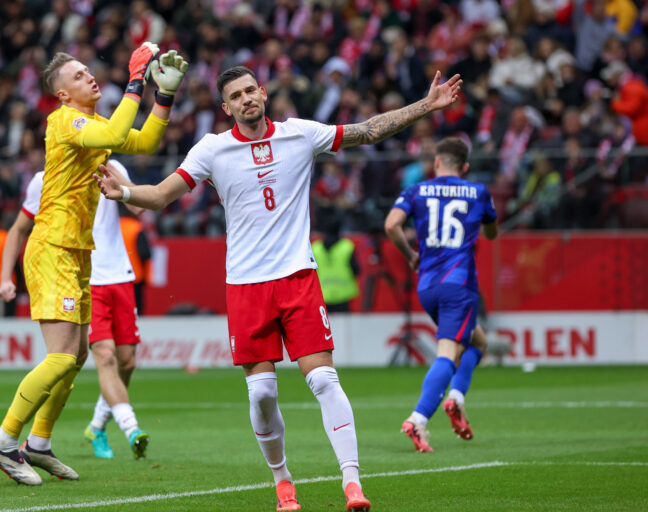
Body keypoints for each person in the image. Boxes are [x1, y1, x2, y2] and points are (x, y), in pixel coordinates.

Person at [95, 65, 461, 511]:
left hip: (297, 278)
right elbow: (162, 195)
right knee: (262, 393)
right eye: (236, 95)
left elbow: (367, 132)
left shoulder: (300, 134)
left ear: (264, 93)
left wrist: (426, 104)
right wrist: (126, 192)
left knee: (324, 379)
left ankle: (352, 483)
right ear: (226, 107)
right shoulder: (212, 150)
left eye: (252, 90)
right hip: (246, 286)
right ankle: (282, 480)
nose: (247, 98)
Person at [0, 43, 188, 486]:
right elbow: (116, 137)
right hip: (52, 246)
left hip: (78, 252)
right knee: (60, 356)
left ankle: (38, 445)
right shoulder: (64, 122)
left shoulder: (93, 124)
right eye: (77, 76)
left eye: (87, 71)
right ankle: (2, 443)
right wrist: (136, 80)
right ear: (62, 95)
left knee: (76, 356)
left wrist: (163, 97)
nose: (89, 77)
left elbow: (145, 141)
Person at [0, 160, 151, 461]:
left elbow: (138, 207)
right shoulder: (43, 180)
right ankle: (132, 429)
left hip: (120, 274)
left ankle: (96, 426)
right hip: (83, 278)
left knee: (127, 363)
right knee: (102, 356)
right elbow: (18, 228)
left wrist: (117, 179)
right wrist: (5, 277)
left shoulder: (110, 165)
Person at [384, 138, 498, 453]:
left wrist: (410, 254)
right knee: (448, 352)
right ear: (465, 167)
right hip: (458, 285)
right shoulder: (478, 191)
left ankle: (456, 400)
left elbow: (392, 224)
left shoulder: (416, 190)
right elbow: (491, 232)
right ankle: (418, 420)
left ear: (436, 163)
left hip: (427, 284)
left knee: (478, 342)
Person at [311, 213, 360, 313]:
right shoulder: (347, 246)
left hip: (322, 294)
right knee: (345, 327)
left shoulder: (315, 248)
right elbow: (356, 270)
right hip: (344, 294)